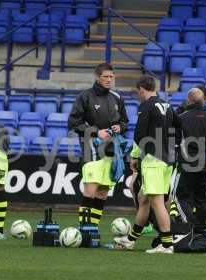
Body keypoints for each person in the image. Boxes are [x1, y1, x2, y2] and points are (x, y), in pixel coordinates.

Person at [114, 75, 177, 254]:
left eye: (138, 92)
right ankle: (130, 240)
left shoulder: (146, 106)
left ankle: (166, 245)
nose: (139, 95)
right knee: (143, 198)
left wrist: (135, 156)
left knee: (157, 202)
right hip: (167, 159)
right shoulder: (167, 105)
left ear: (142, 89)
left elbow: (140, 134)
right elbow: (176, 130)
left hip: (153, 160)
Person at [68, 63, 129, 242]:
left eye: (112, 77)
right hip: (91, 148)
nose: (109, 80)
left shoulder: (117, 98)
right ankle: (83, 229)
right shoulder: (85, 97)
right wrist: (96, 132)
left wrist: (120, 127)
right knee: (91, 190)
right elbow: (73, 123)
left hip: (112, 149)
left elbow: (125, 122)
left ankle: (92, 229)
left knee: (102, 192)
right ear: (97, 77)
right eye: (106, 77)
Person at [172, 87, 206, 226]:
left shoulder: (182, 118)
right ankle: (201, 231)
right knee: (201, 199)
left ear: (189, 100)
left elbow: (174, 140)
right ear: (203, 101)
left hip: (188, 163)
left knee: (181, 197)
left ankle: (190, 225)